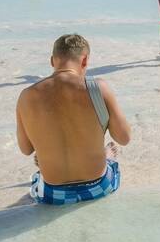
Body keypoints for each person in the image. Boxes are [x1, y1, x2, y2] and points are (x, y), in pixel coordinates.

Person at [16, 33, 132, 205]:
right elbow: (124, 138)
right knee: (108, 154)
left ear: (52, 61)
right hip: (99, 187)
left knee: (41, 162)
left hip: (52, 195)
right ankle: (104, 156)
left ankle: (54, 159)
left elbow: (26, 149)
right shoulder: (98, 88)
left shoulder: (27, 96)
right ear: (84, 61)